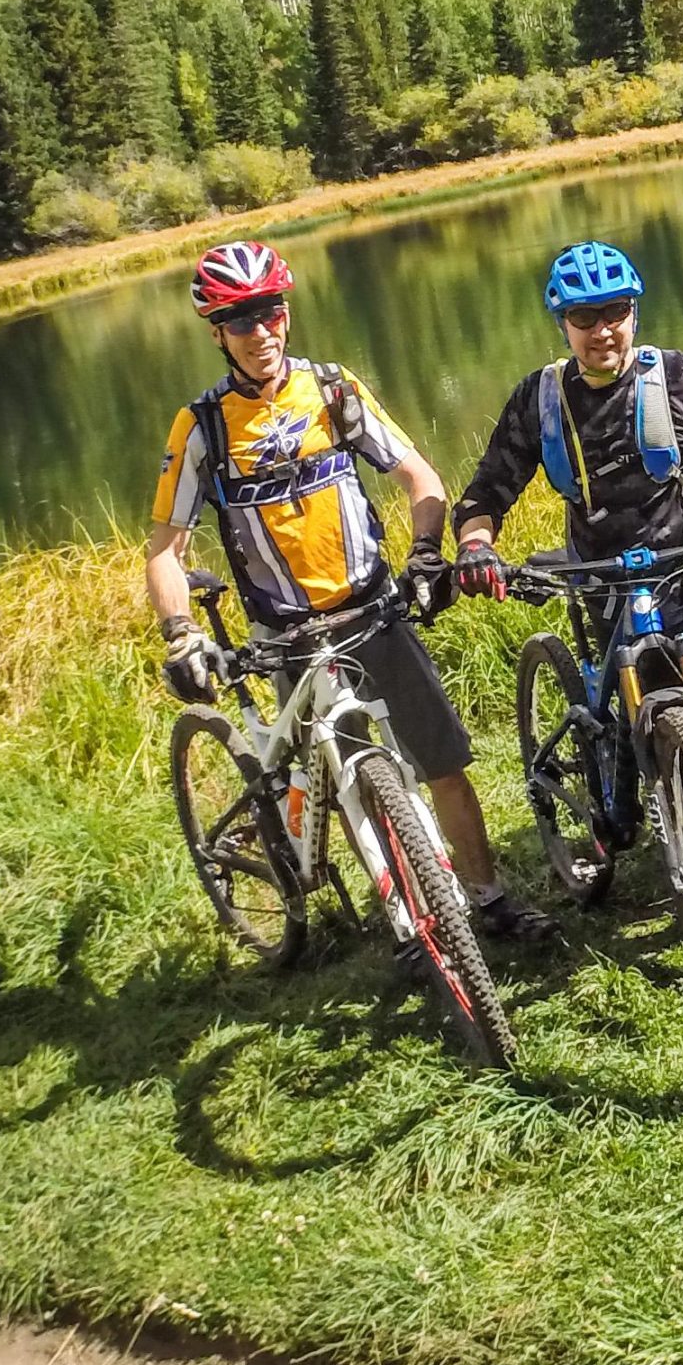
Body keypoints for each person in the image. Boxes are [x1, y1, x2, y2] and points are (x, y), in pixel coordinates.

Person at [143, 240, 548, 944]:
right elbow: (165, 551)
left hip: (374, 610)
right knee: (345, 783)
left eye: (269, 311)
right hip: (287, 637)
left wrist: (425, 553)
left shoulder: (332, 390)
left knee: (445, 763)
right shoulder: (202, 426)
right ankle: (407, 925)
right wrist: (181, 633)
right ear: (217, 333)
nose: (260, 331)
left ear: (287, 312)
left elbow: (420, 478)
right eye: (241, 320)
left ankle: (490, 900)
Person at [448, 240, 683, 914]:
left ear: (635, 311)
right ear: (562, 322)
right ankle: (646, 812)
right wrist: (476, 545)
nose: (604, 330)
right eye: (586, 317)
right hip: (603, 580)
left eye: (618, 312)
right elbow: (486, 492)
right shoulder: (539, 401)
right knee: (631, 745)